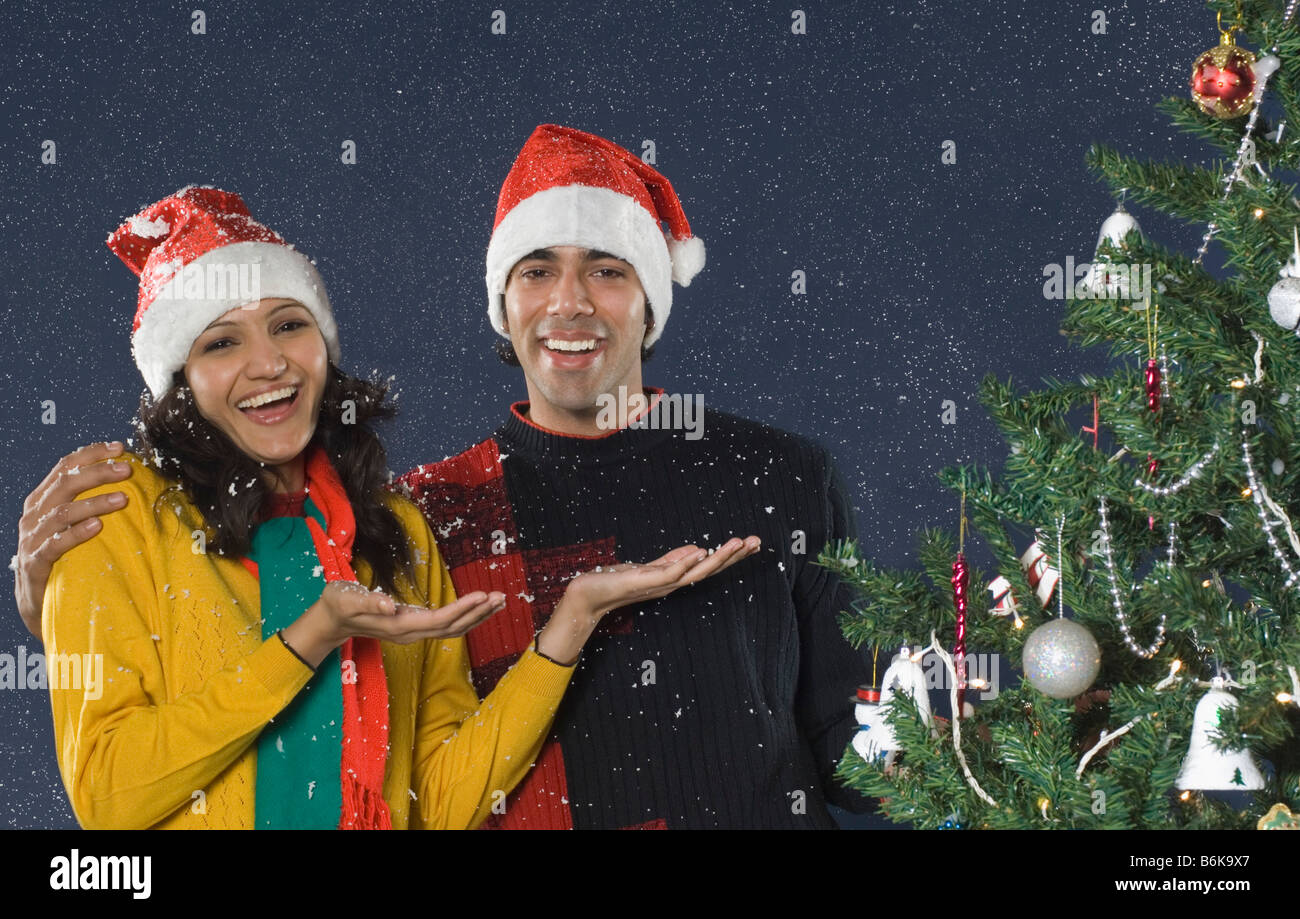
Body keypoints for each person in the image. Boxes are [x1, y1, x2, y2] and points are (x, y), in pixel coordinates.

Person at [17, 125, 869, 828]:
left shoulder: (776, 476)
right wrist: (57, 607)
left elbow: (861, 749)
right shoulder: (436, 512)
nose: (570, 302)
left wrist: (970, 719)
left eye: (608, 269)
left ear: (650, 297)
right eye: (537, 269)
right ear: (505, 301)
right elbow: (120, 780)